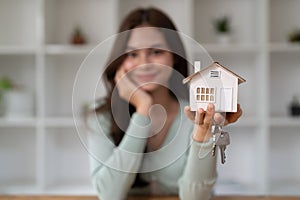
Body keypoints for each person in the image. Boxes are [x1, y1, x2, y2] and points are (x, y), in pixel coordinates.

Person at [86, 7, 242, 200]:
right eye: (133, 54)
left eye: (156, 51)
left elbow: (196, 197)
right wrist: (142, 110)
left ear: (173, 57)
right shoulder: (101, 116)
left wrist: (202, 134)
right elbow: (109, 194)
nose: (144, 63)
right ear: (120, 61)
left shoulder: (196, 116)